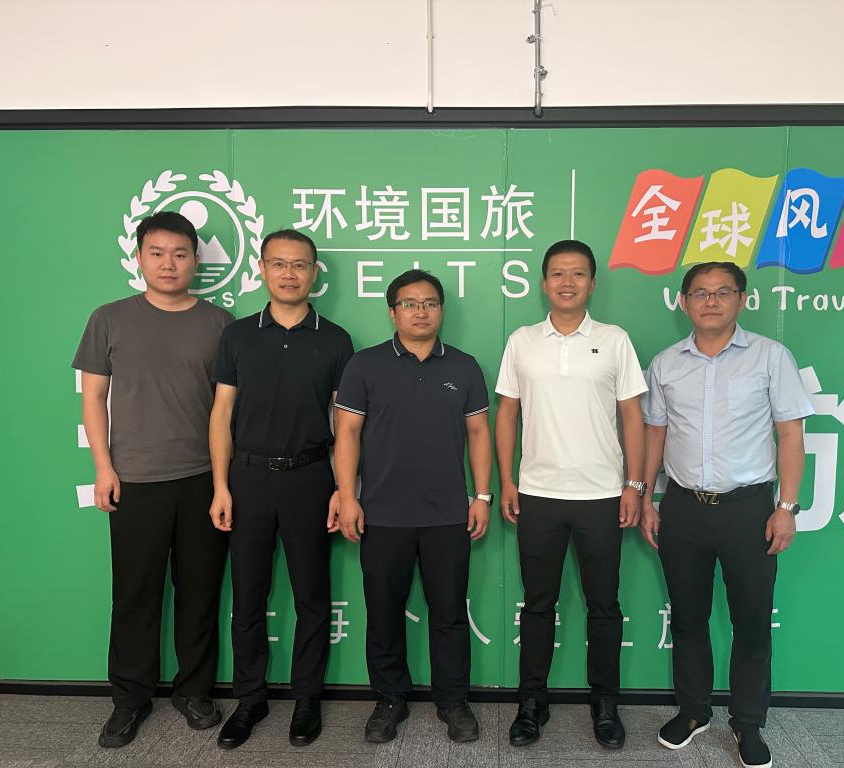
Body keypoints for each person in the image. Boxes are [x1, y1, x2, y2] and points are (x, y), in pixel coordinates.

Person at [640, 261, 814, 768]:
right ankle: (693, 711)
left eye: (722, 292)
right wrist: (647, 498)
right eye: (700, 292)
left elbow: (790, 434)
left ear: (742, 299)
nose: (711, 301)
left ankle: (748, 722)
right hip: (683, 508)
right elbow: (656, 434)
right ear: (684, 302)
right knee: (688, 618)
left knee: (752, 621)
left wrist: (786, 507)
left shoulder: (770, 357)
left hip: (749, 509)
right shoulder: (666, 363)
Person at [72, 211, 232, 748]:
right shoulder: (109, 319)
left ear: (195, 260)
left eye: (180, 254)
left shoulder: (219, 323)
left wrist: (224, 482)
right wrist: (104, 467)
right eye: (157, 253)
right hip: (135, 479)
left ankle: (195, 691)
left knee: (200, 593)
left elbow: (227, 409)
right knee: (135, 595)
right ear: (139, 257)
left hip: (202, 478)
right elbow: (93, 398)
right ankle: (130, 698)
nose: (169, 264)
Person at [495, 240, 647, 750]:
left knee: (604, 605)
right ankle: (531, 702)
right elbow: (507, 412)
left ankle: (605, 704)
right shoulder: (522, 341)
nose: (567, 282)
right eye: (558, 274)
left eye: (578, 274)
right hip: (538, 494)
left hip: (602, 495)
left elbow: (632, 415)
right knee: (538, 604)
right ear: (544, 283)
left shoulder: (614, 339)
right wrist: (507, 481)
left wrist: (634, 484)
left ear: (592, 283)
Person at [332, 269, 493, 744]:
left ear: (441, 310)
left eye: (430, 303)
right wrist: (348, 496)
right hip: (382, 514)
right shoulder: (364, 365)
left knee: (449, 613)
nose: (421, 311)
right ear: (392, 312)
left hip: (448, 514)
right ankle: (389, 698)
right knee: (384, 611)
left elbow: (478, 433)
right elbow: (347, 433)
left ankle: (453, 700)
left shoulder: (464, 366)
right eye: (409, 303)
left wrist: (482, 495)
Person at [208, 230, 354, 749]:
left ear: (314, 272)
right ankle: (250, 699)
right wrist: (220, 485)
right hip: (247, 479)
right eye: (278, 263)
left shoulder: (335, 339)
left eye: (299, 265)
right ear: (262, 269)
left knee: (312, 594)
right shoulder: (238, 335)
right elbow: (222, 412)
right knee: (248, 593)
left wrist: (343, 488)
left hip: (310, 478)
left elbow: (345, 424)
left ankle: (307, 699)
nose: (289, 274)